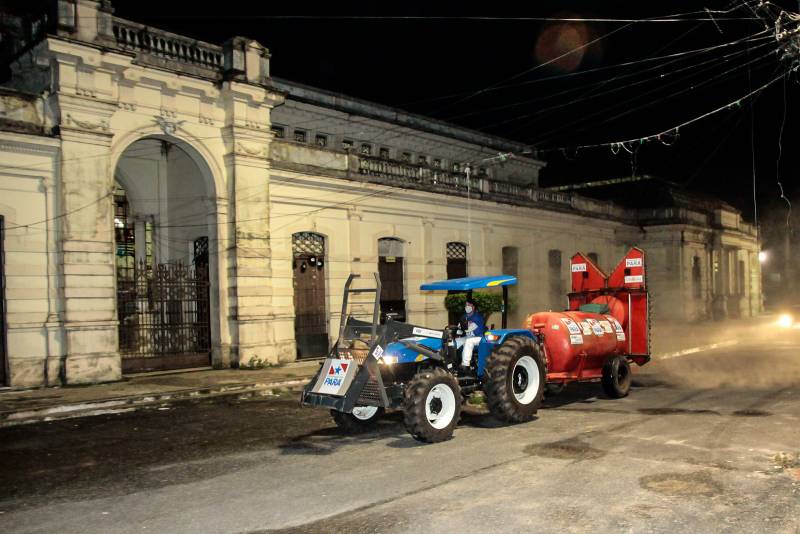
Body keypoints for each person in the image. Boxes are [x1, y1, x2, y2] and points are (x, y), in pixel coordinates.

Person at [457, 298, 486, 369]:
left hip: (479, 337)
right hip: (468, 336)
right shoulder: (464, 316)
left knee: (468, 341)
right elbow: (460, 329)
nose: (467, 306)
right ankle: (453, 363)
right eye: (466, 305)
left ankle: (465, 365)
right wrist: (457, 329)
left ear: (473, 307)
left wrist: (463, 326)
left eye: (469, 305)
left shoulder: (477, 317)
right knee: (455, 342)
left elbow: (468, 328)